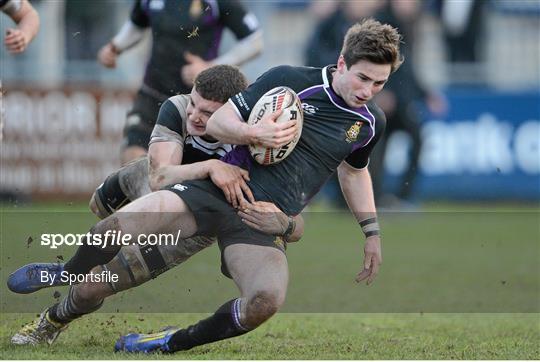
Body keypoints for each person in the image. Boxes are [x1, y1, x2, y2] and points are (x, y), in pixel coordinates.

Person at [9, 19, 402, 353]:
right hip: (213, 193)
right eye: (362, 77)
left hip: (261, 221)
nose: (367, 90)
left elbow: (353, 172)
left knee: (265, 302)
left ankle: (167, 343)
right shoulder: (288, 81)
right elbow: (218, 123)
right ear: (341, 63)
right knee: (110, 238)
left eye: (379, 83)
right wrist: (253, 133)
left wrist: (371, 231)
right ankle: (57, 305)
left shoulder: (370, 123)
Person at [10, 65, 304, 346]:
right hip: (151, 179)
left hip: (192, 221)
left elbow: (297, 223)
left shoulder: (261, 146)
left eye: (208, 113)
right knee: (99, 214)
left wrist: (284, 224)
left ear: (232, 113)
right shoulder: (178, 107)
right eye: (195, 105)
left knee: (92, 286)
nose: (196, 116)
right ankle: (70, 269)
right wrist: (211, 167)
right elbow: (159, 176)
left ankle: (51, 321)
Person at [97, 0, 263, 164]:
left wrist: (210, 67)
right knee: (134, 156)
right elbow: (137, 24)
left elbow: (255, 41)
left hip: (195, 103)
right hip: (152, 93)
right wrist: (115, 47)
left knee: (179, 166)